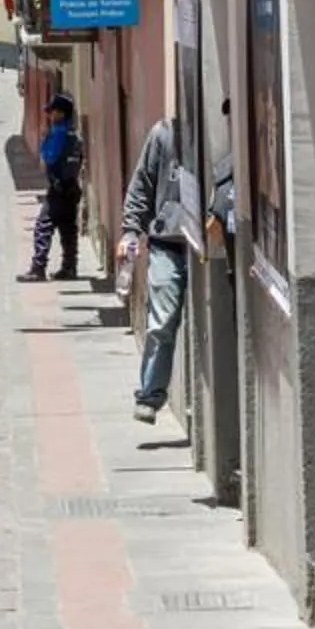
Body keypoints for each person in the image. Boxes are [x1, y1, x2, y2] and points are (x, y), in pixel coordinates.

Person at [118, 114, 203, 423]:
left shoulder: (217, 127)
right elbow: (142, 184)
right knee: (161, 322)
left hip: (209, 241)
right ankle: (151, 394)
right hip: (167, 240)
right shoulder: (163, 133)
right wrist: (130, 232)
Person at [18, 92, 83, 282]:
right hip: (72, 187)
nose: (50, 115)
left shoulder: (58, 133)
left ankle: (38, 267)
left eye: (52, 111)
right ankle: (69, 267)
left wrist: (45, 140)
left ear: (61, 113)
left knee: (43, 226)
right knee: (68, 230)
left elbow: (48, 156)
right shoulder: (74, 134)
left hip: (58, 188)